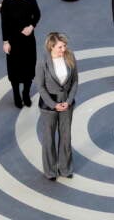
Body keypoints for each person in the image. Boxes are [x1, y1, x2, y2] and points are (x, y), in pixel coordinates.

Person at [35, 32, 78, 181]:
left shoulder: (70, 57)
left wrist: (69, 100)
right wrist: (53, 105)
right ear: (51, 46)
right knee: (49, 139)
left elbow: (75, 82)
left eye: (64, 46)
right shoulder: (43, 62)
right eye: (60, 47)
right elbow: (40, 87)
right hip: (48, 106)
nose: (64, 49)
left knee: (66, 137)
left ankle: (66, 169)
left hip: (67, 104)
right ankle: (51, 171)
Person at [1, 0, 41, 108]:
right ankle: (16, 95)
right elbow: (4, 24)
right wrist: (5, 42)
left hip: (28, 41)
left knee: (29, 70)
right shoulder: (7, 3)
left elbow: (37, 15)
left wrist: (31, 26)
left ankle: (26, 93)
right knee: (15, 71)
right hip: (13, 42)